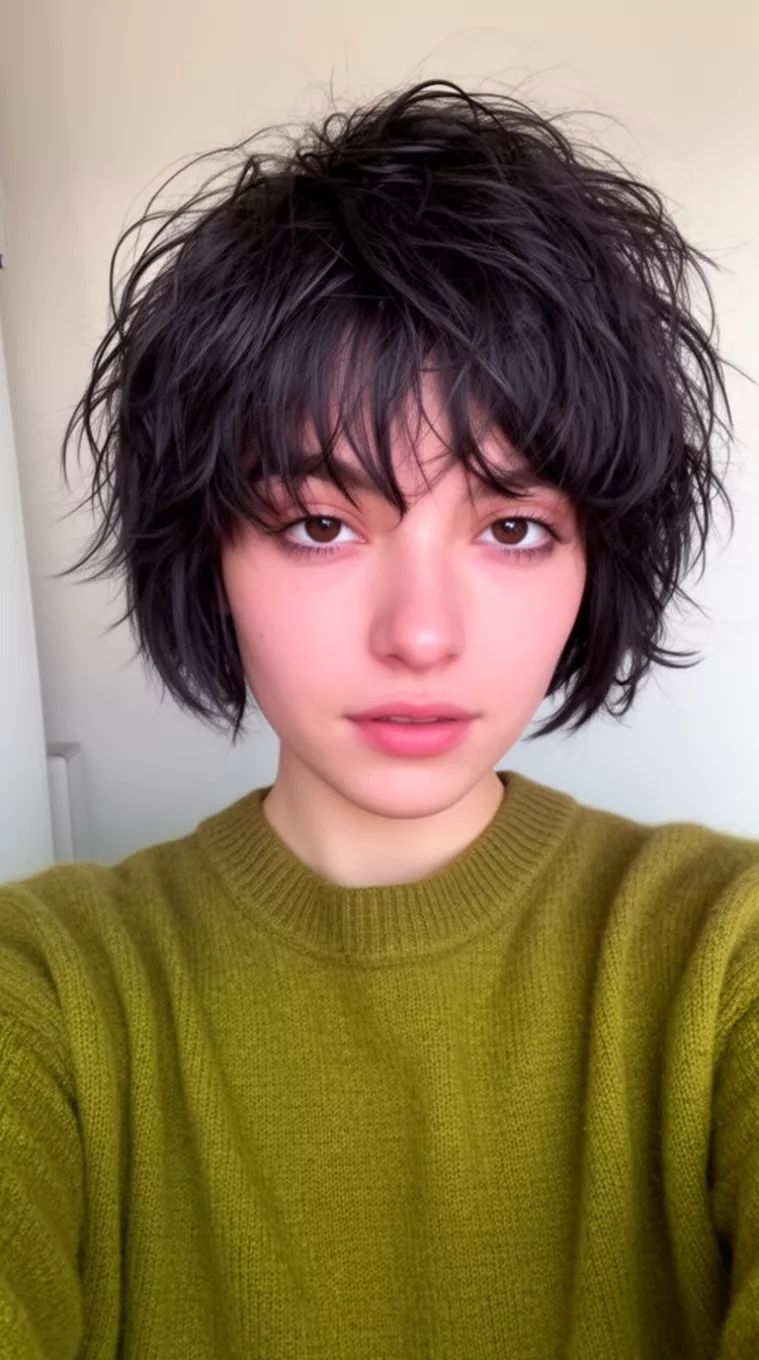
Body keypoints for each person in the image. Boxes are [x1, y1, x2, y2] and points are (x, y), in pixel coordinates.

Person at [0, 77, 756, 1360]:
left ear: (596, 561)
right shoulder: (52, 991)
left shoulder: (721, 959)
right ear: (209, 553)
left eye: (513, 527)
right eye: (319, 523)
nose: (421, 632)